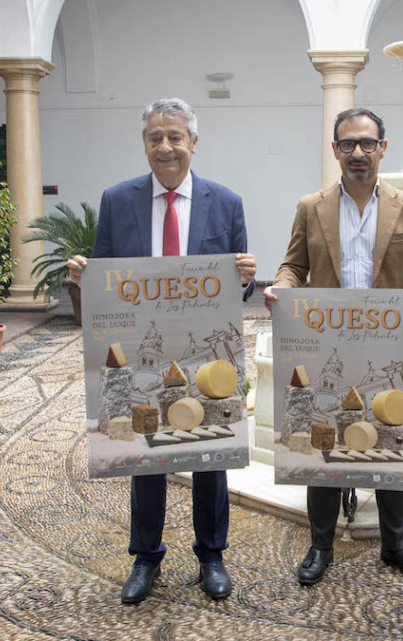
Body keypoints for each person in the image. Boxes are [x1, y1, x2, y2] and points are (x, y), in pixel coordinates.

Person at [67, 98, 257, 604]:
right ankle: (146, 556)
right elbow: (106, 277)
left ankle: (211, 554)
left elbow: (235, 292)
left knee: (210, 451)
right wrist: (85, 277)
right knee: (144, 450)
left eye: (175, 137)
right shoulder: (117, 200)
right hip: (144, 354)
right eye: (156, 137)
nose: (166, 147)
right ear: (145, 144)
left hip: (203, 355)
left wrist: (243, 278)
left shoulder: (227, 202)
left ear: (193, 143)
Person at [264, 107, 403, 585]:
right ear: (335, 149)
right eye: (348, 144)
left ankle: (395, 545)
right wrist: (280, 287)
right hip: (327, 348)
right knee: (323, 446)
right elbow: (292, 266)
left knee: (391, 443)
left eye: (367, 143)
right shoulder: (310, 206)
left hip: (387, 348)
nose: (357, 153)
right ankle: (320, 546)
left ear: (383, 147)